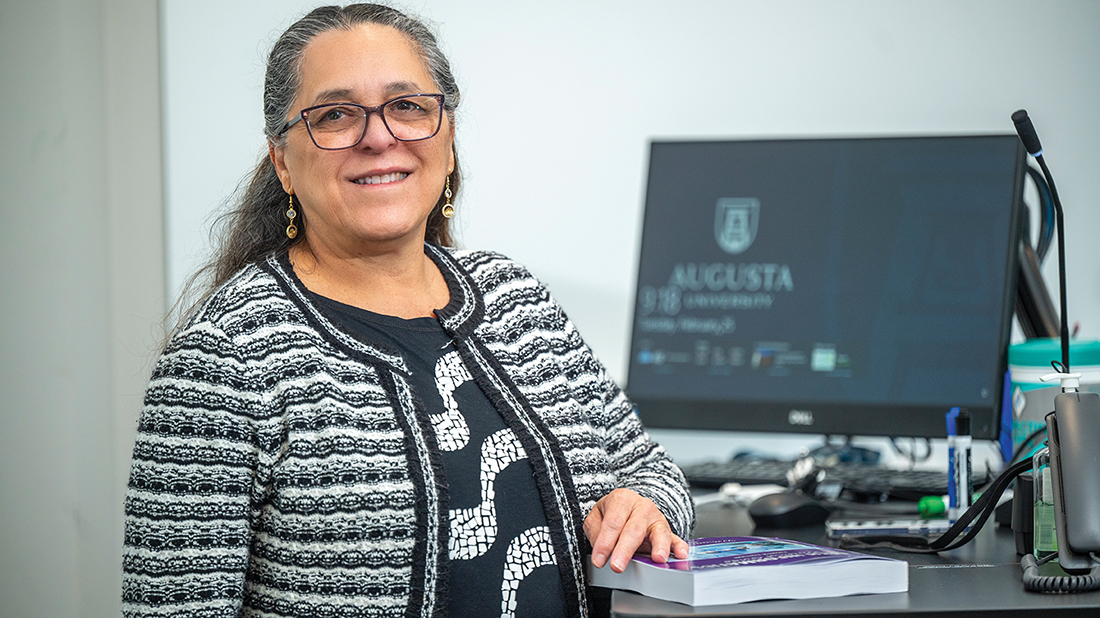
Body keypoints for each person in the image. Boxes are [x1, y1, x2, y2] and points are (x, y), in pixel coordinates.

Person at [121, 4, 693, 617]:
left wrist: (646, 500)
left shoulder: (515, 299)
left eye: (408, 106)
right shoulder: (224, 356)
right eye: (336, 115)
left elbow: (651, 467)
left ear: (447, 141)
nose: (379, 137)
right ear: (282, 161)